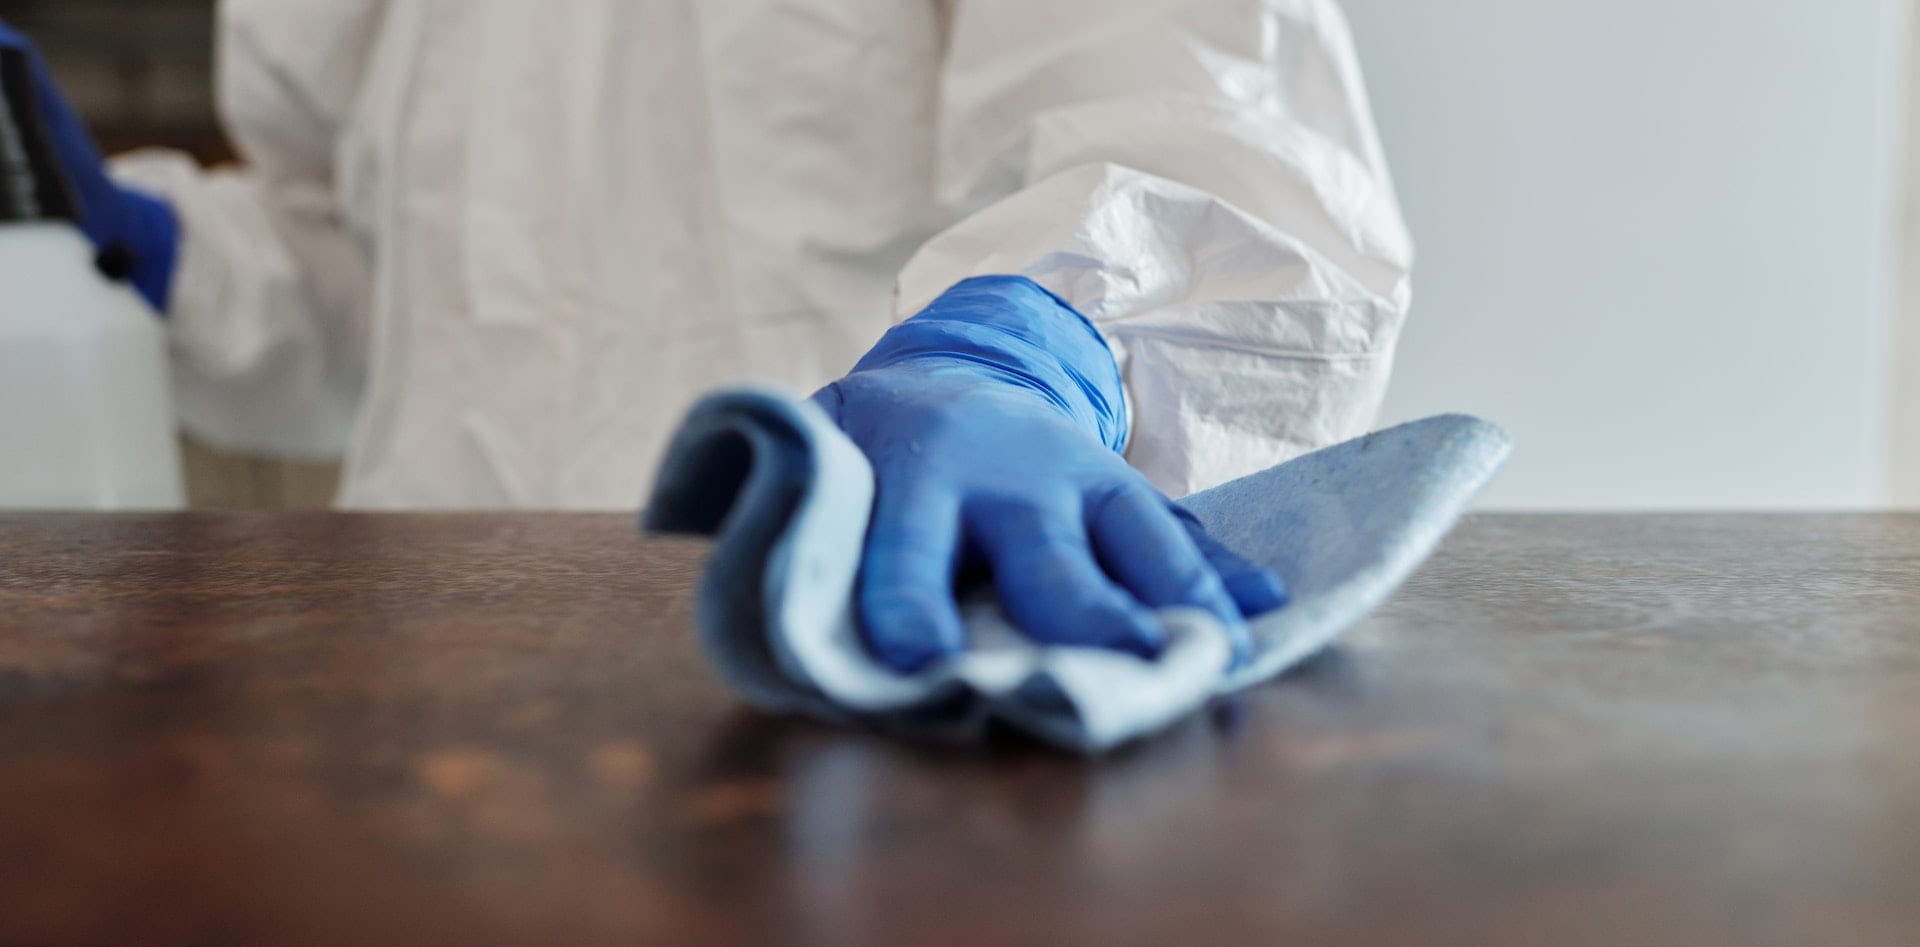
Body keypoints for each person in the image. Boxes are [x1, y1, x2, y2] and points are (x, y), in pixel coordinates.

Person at [0, 1, 1411, 672]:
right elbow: (373, 307)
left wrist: (1035, 340)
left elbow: (1223, 143)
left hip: (867, 654)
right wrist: (150, 242)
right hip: (429, 691)